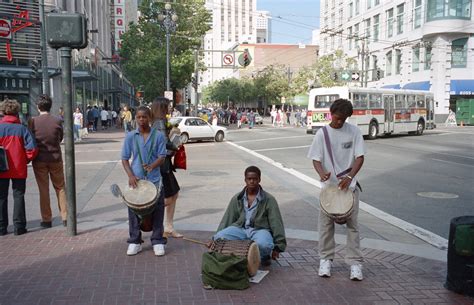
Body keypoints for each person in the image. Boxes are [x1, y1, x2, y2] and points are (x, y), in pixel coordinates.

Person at [307, 98, 365, 281]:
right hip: (329, 189)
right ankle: (325, 260)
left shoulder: (354, 132)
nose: (339, 122)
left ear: (348, 117)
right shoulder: (322, 134)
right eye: (337, 118)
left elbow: (359, 157)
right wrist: (322, 172)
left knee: (353, 227)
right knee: (325, 226)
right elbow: (316, 159)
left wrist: (349, 177)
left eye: (343, 119)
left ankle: (355, 263)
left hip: (350, 188)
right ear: (331, 113)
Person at [213, 166, 286, 266]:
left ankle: (264, 256)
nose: (252, 181)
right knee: (220, 236)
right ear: (245, 180)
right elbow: (227, 219)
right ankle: (239, 255)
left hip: (260, 230)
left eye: (255, 179)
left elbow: (276, 223)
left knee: (264, 245)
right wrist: (215, 240)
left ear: (259, 179)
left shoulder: (269, 199)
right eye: (249, 179)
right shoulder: (237, 198)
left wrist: (278, 247)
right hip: (241, 229)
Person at [121, 105, 167, 256]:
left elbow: (162, 156)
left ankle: (157, 240)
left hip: (155, 180)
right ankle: (135, 241)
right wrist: (131, 176)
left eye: (144, 117)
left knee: (158, 210)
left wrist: (153, 166)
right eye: (139, 117)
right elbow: (125, 159)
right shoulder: (130, 136)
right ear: (135, 119)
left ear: (150, 118)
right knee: (133, 210)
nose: (141, 120)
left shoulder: (158, 136)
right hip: (136, 180)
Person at [29, 94, 68, 228]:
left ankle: (46, 219)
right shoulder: (57, 121)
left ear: (38, 106)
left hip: (39, 159)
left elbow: (30, 139)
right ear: (50, 106)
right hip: (55, 158)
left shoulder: (32, 121)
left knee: (43, 189)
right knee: (60, 187)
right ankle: (65, 216)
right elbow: (60, 138)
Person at [0, 99, 38, 236]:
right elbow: (32, 148)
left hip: (1, 168)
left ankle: (1, 227)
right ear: (17, 112)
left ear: (3, 111)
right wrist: (25, 159)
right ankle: (19, 226)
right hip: (18, 167)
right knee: (18, 196)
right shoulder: (22, 129)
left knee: (1, 197)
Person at [151, 97, 183, 238]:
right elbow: (164, 145)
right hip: (163, 166)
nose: (170, 108)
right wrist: (177, 142)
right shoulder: (159, 122)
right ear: (162, 107)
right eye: (168, 106)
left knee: (173, 194)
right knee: (167, 197)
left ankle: (168, 226)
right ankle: (157, 224)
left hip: (163, 165)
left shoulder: (156, 121)